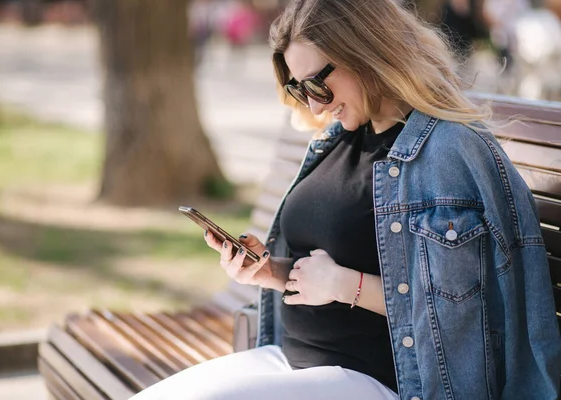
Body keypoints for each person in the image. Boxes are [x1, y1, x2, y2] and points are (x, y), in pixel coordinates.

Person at [130, 0, 561, 399]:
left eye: (319, 84)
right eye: (301, 90)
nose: (316, 107)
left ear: (366, 51)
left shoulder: (449, 152)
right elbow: (347, 262)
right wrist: (273, 273)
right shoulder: (339, 139)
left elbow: (466, 319)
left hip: (377, 382)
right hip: (291, 363)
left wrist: (345, 286)